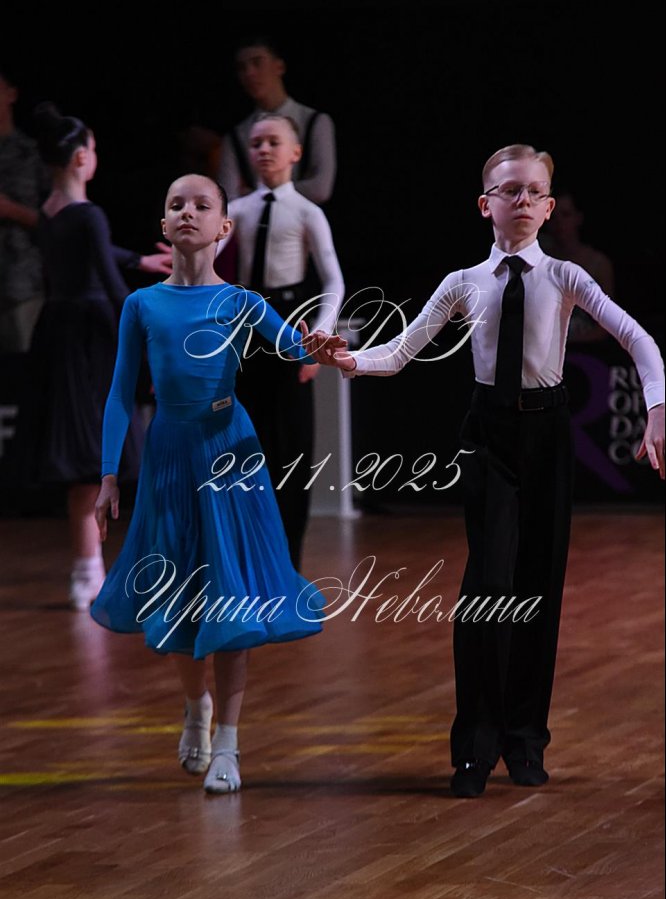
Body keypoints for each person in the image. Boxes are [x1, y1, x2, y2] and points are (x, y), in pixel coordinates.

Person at [305, 143, 665, 798]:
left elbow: (640, 341)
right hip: (489, 434)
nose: (522, 200)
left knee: (538, 586)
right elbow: (402, 351)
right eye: (509, 190)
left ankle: (525, 741)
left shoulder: (566, 276)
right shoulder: (464, 282)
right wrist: (347, 359)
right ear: (484, 204)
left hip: (548, 433)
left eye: (534, 192)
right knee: (488, 585)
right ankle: (475, 745)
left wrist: (658, 411)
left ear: (549, 207)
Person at [91, 173, 338, 796]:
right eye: (176, 204)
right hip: (170, 454)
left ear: (224, 227)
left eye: (202, 205)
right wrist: (109, 473)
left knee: (231, 593)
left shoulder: (240, 301)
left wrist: (319, 344)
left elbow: (293, 348)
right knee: (177, 587)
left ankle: (228, 739)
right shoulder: (142, 304)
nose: (188, 213)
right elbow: (120, 392)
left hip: (229, 450)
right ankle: (195, 704)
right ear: (163, 223)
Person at [4, 103, 172, 610]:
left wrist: (140, 258)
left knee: (87, 451)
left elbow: (93, 250)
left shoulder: (50, 211)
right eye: (94, 149)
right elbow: (111, 280)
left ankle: (89, 567)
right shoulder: (88, 213)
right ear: (81, 158)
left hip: (58, 330)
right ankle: (92, 568)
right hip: (93, 335)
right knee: (95, 450)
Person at [216, 113, 344, 570]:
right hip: (245, 328)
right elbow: (206, 261)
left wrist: (319, 336)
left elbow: (333, 280)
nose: (264, 150)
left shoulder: (308, 211)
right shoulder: (238, 210)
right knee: (244, 443)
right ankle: (247, 560)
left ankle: (288, 564)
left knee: (291, 449)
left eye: (273, 142)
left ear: (296, 152)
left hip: (289, 328)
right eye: (256, 144)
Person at [218, 36, 336, 205]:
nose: (249, 73)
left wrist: (256, 195)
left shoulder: (314, 121)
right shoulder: (236, 136)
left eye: (257, 63)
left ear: (279, 67)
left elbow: (320, 188)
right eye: (242, 68)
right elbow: (229, 198)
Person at [0, 69, 49, 353]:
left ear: (11, 94)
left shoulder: (31, 154)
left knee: (22, 367)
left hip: (21, 284)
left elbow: (56, 222)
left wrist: (12, 210)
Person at [541, 188, 615, 342]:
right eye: (553, 216)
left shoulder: (598, 264)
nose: (559, 222)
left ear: (578, 218)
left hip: (586, 349)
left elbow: (606, 326)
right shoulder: (539, 260)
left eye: (566, 215)